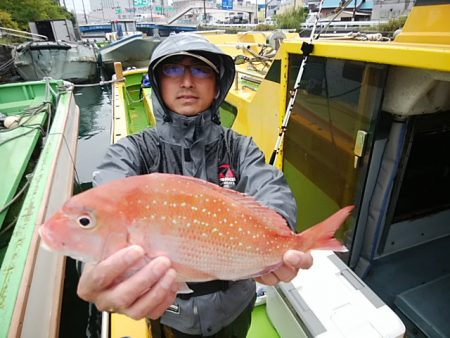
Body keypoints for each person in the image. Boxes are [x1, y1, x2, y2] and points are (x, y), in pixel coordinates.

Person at [77, 32, 313, 337]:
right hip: (171, 312)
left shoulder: (241, 148)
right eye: (173, 69)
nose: (187, 81)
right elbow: (103, 204)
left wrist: (279, 233)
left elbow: (269, 185)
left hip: (235, 307)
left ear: (217, 87)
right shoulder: (134, 150)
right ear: (159, 85)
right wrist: (99, 267)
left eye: (200, 70)